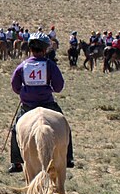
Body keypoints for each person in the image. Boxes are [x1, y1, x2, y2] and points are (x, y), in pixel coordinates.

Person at [8, 33, 74, 172]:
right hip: (47, 104)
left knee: (15, 130)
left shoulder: (22, 66)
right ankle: (68, 157)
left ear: (30, 49)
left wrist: (25, 92)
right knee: (65, 126)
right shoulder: (50, 65)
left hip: (28, 106)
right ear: (45, 49)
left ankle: (16, 162)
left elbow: (15, 86)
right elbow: (59, 86)